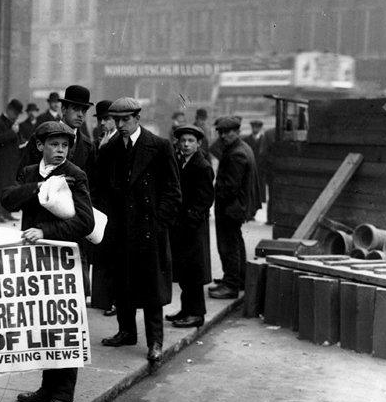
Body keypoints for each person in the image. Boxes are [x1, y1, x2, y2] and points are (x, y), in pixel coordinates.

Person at [1, 121, 94, 402]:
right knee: (43, 321)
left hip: (63, 260)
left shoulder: (75, 175)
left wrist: (44, 230)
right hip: (37, 261)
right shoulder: (30, 172)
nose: (60, 150)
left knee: (64, 326)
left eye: (65, 146)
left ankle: (63, 396)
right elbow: (7, 199)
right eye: (54, 144)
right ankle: (47, 387)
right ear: (40, 146)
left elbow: (85, 222)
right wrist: (38, 187)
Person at [92, 97, 181, 366]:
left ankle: (155, 341)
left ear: (137, 118)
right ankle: (127, 331)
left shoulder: (159, 146)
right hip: (120, 230)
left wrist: (158, 223)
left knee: (151, 287)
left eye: (125, 120)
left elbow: (173, 192)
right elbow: (100, 189)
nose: (120, 125)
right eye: (116, 120)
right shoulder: (109, 150)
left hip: (148, 231)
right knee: (122, 282)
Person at [165, 125, 214, 328]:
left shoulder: (202, 166)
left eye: (190, 141)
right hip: (182, 227)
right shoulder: (180, 162)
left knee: (194, 273)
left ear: (199, 143)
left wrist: (189, 222)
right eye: (183, 140)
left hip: (193, 229)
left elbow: (204, 200)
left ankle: (197, 314)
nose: (185, 144)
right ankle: (186, 310)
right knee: (185, 273)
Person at [209, 116, 261, 300]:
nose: (223, 136)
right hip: (238, 206)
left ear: (237, 131)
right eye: (220, 132)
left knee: (228, 245)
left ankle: (231, 285)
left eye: (227, 132)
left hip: (231, 207)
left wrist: (216, 195)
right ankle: (237, 279)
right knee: (235, 241)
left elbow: (230, 187)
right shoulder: (241, 147)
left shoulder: (236, 153)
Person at [17, 84, 96, 180]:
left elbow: (90, 185)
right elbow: (22, 175)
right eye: (75, 109)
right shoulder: (41, 137)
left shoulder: (87, 145)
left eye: (84, 111)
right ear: (63, 109)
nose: (80, 115)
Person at [88, 99, 117, 317]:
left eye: (107, 119)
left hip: (112, 205)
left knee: (111, 254)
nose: (103, 123)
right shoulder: (102, 140)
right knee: (100, 251)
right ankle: (101, 298)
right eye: (101, 119)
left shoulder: (115, 141)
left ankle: (113, 300)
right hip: (100, 203)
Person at [0, 98, 24, 222]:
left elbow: (16, 141)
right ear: (9, 110)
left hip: (11, 163)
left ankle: (7, 212)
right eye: (15, 113)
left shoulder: (12, 124)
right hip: (0, 163)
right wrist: (13, 132)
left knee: (9, 188)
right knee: (0, 189)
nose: (16, 116)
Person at [243, 119, 266, 211]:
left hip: (260, 169)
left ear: (260, 128)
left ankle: (255, 209)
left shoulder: (264, 139)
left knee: (258, 190)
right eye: (253, 127)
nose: (255, 129)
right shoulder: (247, 140)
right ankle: (250, 211)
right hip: (250, 168)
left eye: (257, 127)